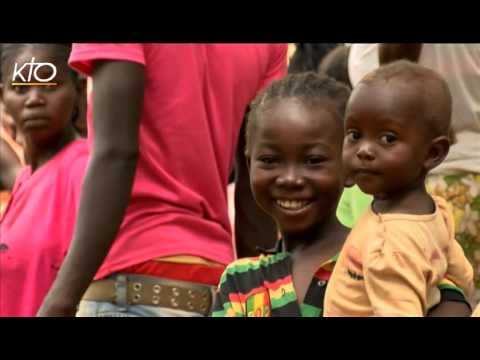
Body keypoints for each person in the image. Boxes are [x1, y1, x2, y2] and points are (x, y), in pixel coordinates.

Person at [38, 44, 288, 317]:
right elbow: (257, 184)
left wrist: (59, 302)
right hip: (213, 281)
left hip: (131, 282)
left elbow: (117, 154)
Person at [212, 72, 472, 317]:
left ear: (350, 167)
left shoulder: (388, 249)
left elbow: (457, 304)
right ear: (249, 166)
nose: (290, 178)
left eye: (314, 160)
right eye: (270, 160)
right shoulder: (239, 281)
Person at [324, 61, 474, 316]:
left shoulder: (388, 245)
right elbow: (463, 277)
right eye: (354, 134)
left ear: (432, 153)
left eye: (388, 138)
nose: (364, 150)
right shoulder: (436, 211)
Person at [0, 43, 88, 316]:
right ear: (3, 97)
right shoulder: (26, 178)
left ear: (78, 90)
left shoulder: (84, 169)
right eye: (21, 88)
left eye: (49, 86)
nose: (34, 99)